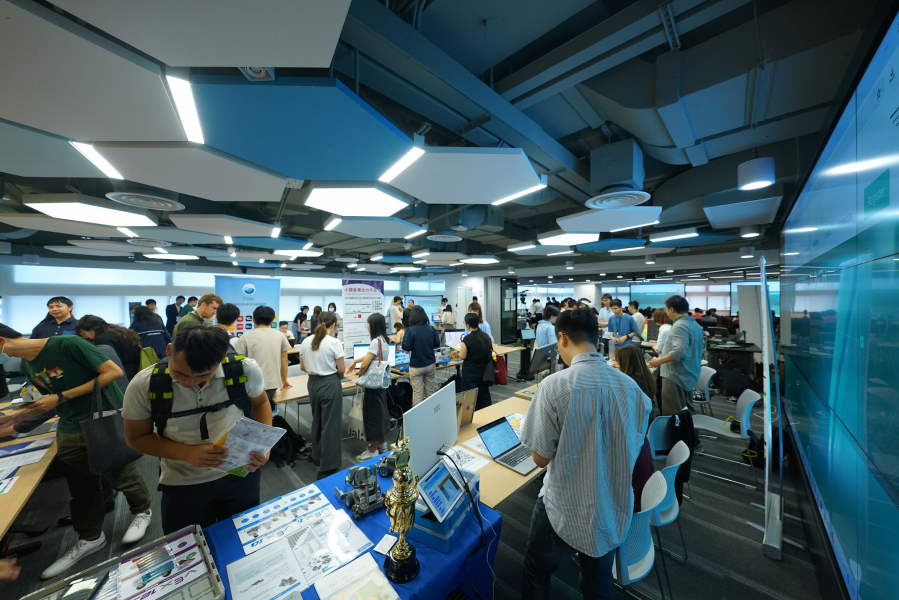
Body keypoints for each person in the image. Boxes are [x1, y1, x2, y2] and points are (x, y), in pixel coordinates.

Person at [0, 324, 153, 579]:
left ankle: (142, 511)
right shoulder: (27, 365)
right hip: (70, 425)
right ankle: (91, 537)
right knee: (80, 485)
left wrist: (61, 396)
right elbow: (49, 402)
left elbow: (112, 372)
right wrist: (16, 419)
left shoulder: (68, 344)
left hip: (101, 416)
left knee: (120, 471)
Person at [519, 309, 651, 600]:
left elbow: (540, 459)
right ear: (597, 338)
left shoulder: (554, 386)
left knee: (537, 571)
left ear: (562, 339)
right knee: (598, 580)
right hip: (611, 506)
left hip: (563, 508)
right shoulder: (632, 389)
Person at [122, 325, 271, 533]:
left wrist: (263, 445)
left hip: (239, 473)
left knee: (242, 537)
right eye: (179, 373)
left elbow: (261, 403)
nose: (188, 382)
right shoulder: (144, 384)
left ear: (221, 359)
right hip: (183, 481)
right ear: (169, 350)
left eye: (203, 375)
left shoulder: (244, 370)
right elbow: (136, 437)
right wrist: (187, 453)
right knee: (188, 545)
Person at [300, 312, 345, 479]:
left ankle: (317, 456)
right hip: (329, 383)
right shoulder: (334, 342)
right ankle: (328, 466)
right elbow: (342, 370)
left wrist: (316, 368)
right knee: (331, 424)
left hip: (312, 383)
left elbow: (302, 367)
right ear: (333, 325)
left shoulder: (306, 341)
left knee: (317, 420)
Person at [613, 344, 657, 511]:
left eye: (619, 363)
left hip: (635, 432)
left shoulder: (631, 383)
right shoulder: (645, 376)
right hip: (644, 429)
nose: (617, 366)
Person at [345, 313, 391, 462]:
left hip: (372, 385)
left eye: (368, 324)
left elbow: (365, 364)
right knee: (381, 412)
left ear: (373, 325)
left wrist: (360, 376)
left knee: (373, 416)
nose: (367, 326)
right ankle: (382, 443)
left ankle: (372, 450)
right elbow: (369, 356)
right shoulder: (383, 340)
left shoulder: (375, 341)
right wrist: (355, 361)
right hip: (380, 383)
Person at [649, 295, 704, 415]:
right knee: (685, 413)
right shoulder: (695, 325)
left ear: (672, 309)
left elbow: (679, 352)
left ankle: (677, 429)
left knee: (674, 415)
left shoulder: (680, 326)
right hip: (688, 373)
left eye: (666, 309)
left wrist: (658, 361)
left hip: (676, 376)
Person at [234, 306, 291, 405]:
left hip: (251, 383)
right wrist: (284, 379)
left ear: (253, 320)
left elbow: (238, 362)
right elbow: (284, 359)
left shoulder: (245, 337)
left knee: (253, 411)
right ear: (271, 321)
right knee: (267, 408)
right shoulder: (280, 335)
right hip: (273, 382)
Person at [75, 315, 142, 380]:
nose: (85, 337)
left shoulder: (105, 340)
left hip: (123, 377)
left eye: (84, 334)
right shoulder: (122, 332)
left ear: (92, 329)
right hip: (136, 373)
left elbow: (108, 365)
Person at [401, 306, 440, 406]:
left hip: (416, 365)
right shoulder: (431, 328)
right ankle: (432, 412)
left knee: (417, 394)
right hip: (430, 364)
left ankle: (418, 416)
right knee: (430, 392)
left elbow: (406, 348)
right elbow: (437, 344)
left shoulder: (410, 330)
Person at [459, 312, 493, 410]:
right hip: (483, 371)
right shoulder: (485, 336)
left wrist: (459, 352)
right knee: (483, 396)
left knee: (469, 397)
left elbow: (462, 356)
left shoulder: (467, 339)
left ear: (467, 325)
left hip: (470, 373)